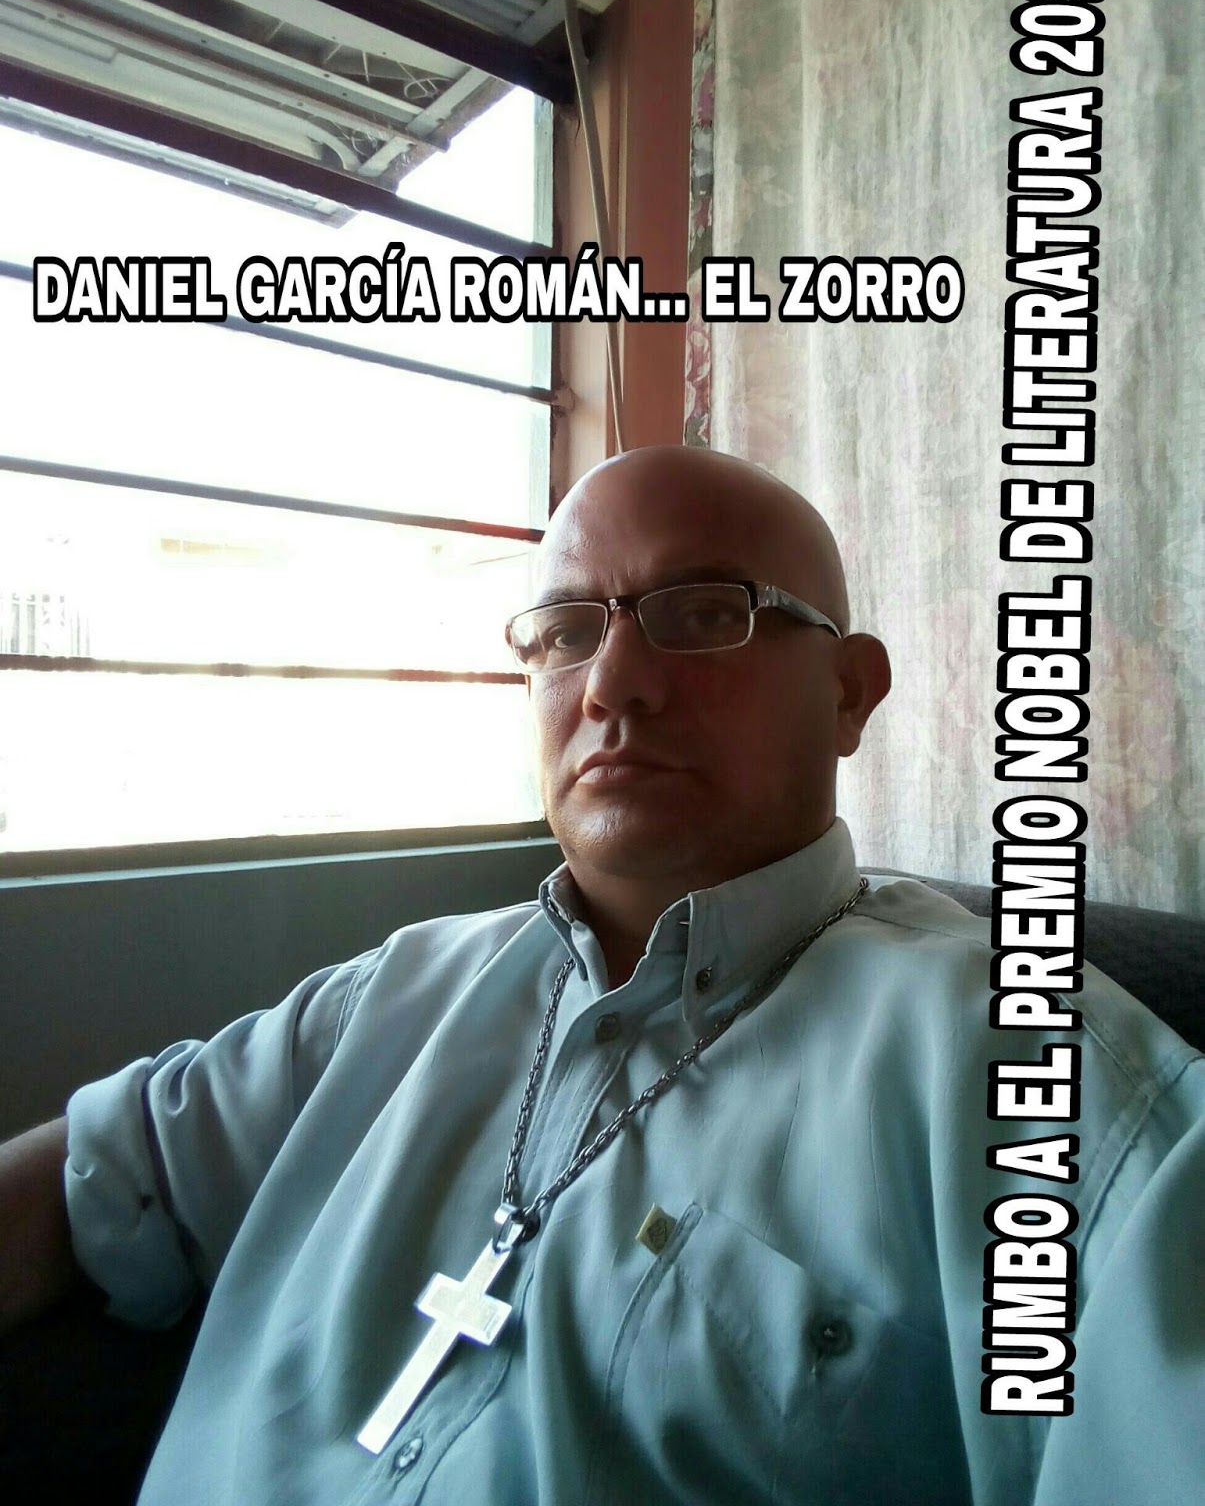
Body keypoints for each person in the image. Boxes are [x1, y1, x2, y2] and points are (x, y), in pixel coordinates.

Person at [0, 445, 1201, 1505]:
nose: (611, 682)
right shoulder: (390, 996)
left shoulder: (1032, 1077)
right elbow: (101, 1172)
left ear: (847, 692)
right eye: (566, 631)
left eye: (701, 612)